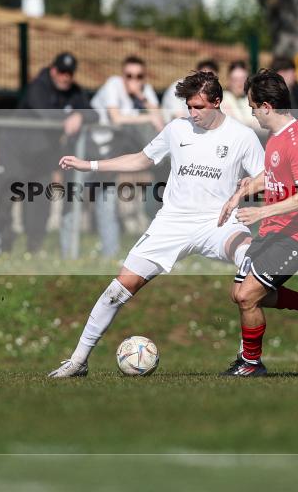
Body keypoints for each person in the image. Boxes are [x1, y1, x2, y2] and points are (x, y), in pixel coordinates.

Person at [48, 70, 265, 377]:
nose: (193, 113)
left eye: (199, 107)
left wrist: (250, 192)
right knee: (116, 290)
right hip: (172, 224)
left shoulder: (242, 136)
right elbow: (141, 159)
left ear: (218, 102)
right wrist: (90, 165)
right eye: (189, 106)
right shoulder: (177, 129)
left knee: (256, 273)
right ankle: (78, 360)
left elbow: (265, 177)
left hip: (219, 224)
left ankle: (258, 353)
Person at [217, 69, 298, 376]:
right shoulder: (276, 135)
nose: (252, 113)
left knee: (247, 296)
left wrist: (260, 213)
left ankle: (251, 364)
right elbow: (271, 177)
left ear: (267, 107)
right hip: (276, 230)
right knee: (241, 294)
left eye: (253, 106)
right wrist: (241, 192)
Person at [0, 52, 94, 255]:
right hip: (14, 152)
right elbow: (47, 114)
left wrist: (80, 114)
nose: (65, 77)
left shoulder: (74, 92)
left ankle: (34, 247)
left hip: (41, 157)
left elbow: (94, 112)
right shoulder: (38, 86)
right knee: (5, 198)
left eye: (70, 73)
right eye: (62, 72)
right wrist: (70, 115)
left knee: (39, 202)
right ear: (53, 70)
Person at [89, 56, 164, 256]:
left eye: (139, 76)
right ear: (122, 76)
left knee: (109, 197)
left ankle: (115, 251)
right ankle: (106, 251)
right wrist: (148, 116)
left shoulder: (143, 90)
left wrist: (140, 96)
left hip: (120, 145)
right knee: (100, 198)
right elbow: (116, 118)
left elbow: (160, 118)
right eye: (129, 75)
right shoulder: (113, 85)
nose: (133, 80)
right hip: (97, 146)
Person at [161, 58, 218, 123]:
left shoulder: (214, 94)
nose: (207, 81)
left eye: (211, 79)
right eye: (204, 76)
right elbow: (178, 118)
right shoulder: (178, 88)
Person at [220, 60, 261, 130]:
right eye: (235, 80)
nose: (240, 84)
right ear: (228, 81)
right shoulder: (223, 100)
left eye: (243, 79)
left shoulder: (254, 99)